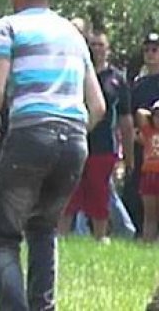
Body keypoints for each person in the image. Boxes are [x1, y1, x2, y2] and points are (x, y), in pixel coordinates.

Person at [0, 0, 105, 311]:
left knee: (2, 237)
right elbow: (97, 107)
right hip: (75, 139)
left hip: (31, 135)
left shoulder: (9, 26)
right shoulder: (73, 34)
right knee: (43, 228)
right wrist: (71, 130)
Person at [60, 30, 135, 240]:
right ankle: (62, 237)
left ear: (108, 49)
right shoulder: (77, 73)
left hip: (103, 146)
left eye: (101, 44)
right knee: (69, 193)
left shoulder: (116, 80)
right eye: (93, 44)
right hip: (75, 142)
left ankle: (100, 237)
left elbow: (126, 120)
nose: (96, 49)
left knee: (99, 192)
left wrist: (128, 157)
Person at [125, 32, 159, 234]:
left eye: (155, 49)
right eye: (146, 50)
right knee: (142, 199)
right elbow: (130, 116)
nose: (150, 54)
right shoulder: (138, 85)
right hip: (145, 153)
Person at [134, 100, 159, 242]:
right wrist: (151, 114)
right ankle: (148, 240)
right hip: (149, 176)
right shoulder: (149, 132)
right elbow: (140, 112)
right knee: (150, 215)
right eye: (157, 115)